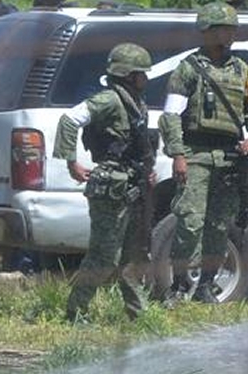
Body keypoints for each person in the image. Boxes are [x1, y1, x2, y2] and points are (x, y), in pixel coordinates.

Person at [158, 2, 248, 304]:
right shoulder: (188, 69)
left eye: (231, 29)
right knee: (190, 221)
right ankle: (180, 285)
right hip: (195, 154)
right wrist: (178, 154)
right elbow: (170, 116)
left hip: (229, 158)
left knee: (220, 224)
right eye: (222, 29)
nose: (228, 34)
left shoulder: (241, 70)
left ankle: (206, 285)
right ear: (206, 31)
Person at [53, 42, 154, 322]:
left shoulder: (135, 101)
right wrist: (71, 162)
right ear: (129, 75)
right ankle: (76, 310)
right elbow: (70, 120)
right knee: (104, 256)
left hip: (132, 184)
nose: (146, 79)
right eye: (142, 73)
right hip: (111, 186)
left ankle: (138, 313)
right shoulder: (109, 99)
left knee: (132, 256)